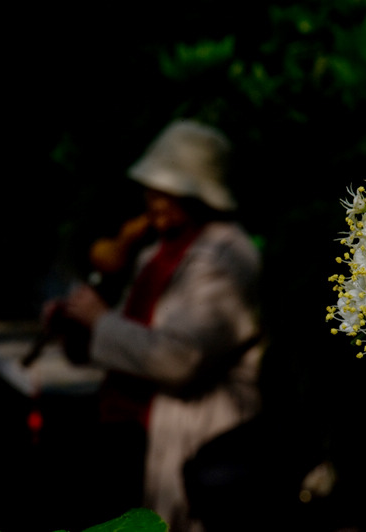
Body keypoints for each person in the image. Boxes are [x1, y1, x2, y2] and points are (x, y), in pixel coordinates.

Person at [60, 119, 264, 531]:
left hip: (191, 442)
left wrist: (99, 320)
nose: (153, 200)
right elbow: (123, 341)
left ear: (199, 194)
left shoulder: (228, 256)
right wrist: (76, 326)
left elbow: (178, 358)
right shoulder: (155, 252)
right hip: (128, 431)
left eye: (166, 191)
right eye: (151, 188)